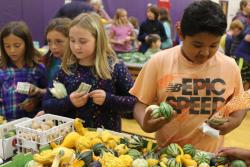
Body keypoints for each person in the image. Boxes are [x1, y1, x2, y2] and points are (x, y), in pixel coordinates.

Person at [129, 0, 246, 153]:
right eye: (197, 45)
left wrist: (234, 121)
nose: (205, 53)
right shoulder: (159, 62)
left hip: (208, 156)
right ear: (180, 33)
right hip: (166, 155)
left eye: (213, 45)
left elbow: (241, 104)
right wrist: (145, 122)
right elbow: (140, 104)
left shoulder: (230, 66)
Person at [42, 13, 136, 132]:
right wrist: (69, 102)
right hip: (71, 138)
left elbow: (133, 102)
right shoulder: (65, 69)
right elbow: (46, 105)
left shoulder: (115, 67)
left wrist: (108, 99)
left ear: (98, 40)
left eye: (82, 41)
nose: (76, 47)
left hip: (107, 139)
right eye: (72, 40)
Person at [0, 21, 47, 121]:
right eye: (7, 46)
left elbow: (49, 94)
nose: (12, 50)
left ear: (27, 44)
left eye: (17, 46)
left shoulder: (38, 69)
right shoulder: (2, 69)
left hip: (30, 124)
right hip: (6, 124)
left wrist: (35, 101)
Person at [43, 18, 71, 83]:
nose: (53, 47)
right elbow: (51, 89)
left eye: (59, 41)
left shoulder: (79, 64)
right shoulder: (51, 59)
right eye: (49, 41)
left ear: (71, 40)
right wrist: (38, 90)